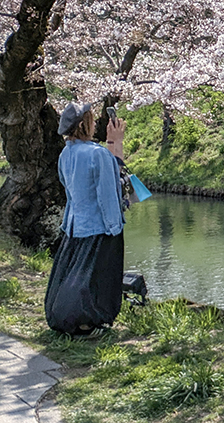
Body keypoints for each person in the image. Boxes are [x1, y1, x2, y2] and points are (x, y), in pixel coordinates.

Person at [44, 102, 127, 337]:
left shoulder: (66, 154)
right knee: (94, 276)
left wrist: (113, 143)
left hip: (73, 224)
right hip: (97, 225)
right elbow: (109, 192)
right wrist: (115, 227)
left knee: (75, 275)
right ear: (85, 124)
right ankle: (83, 323)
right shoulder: (96, 153)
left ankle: (71, 318)